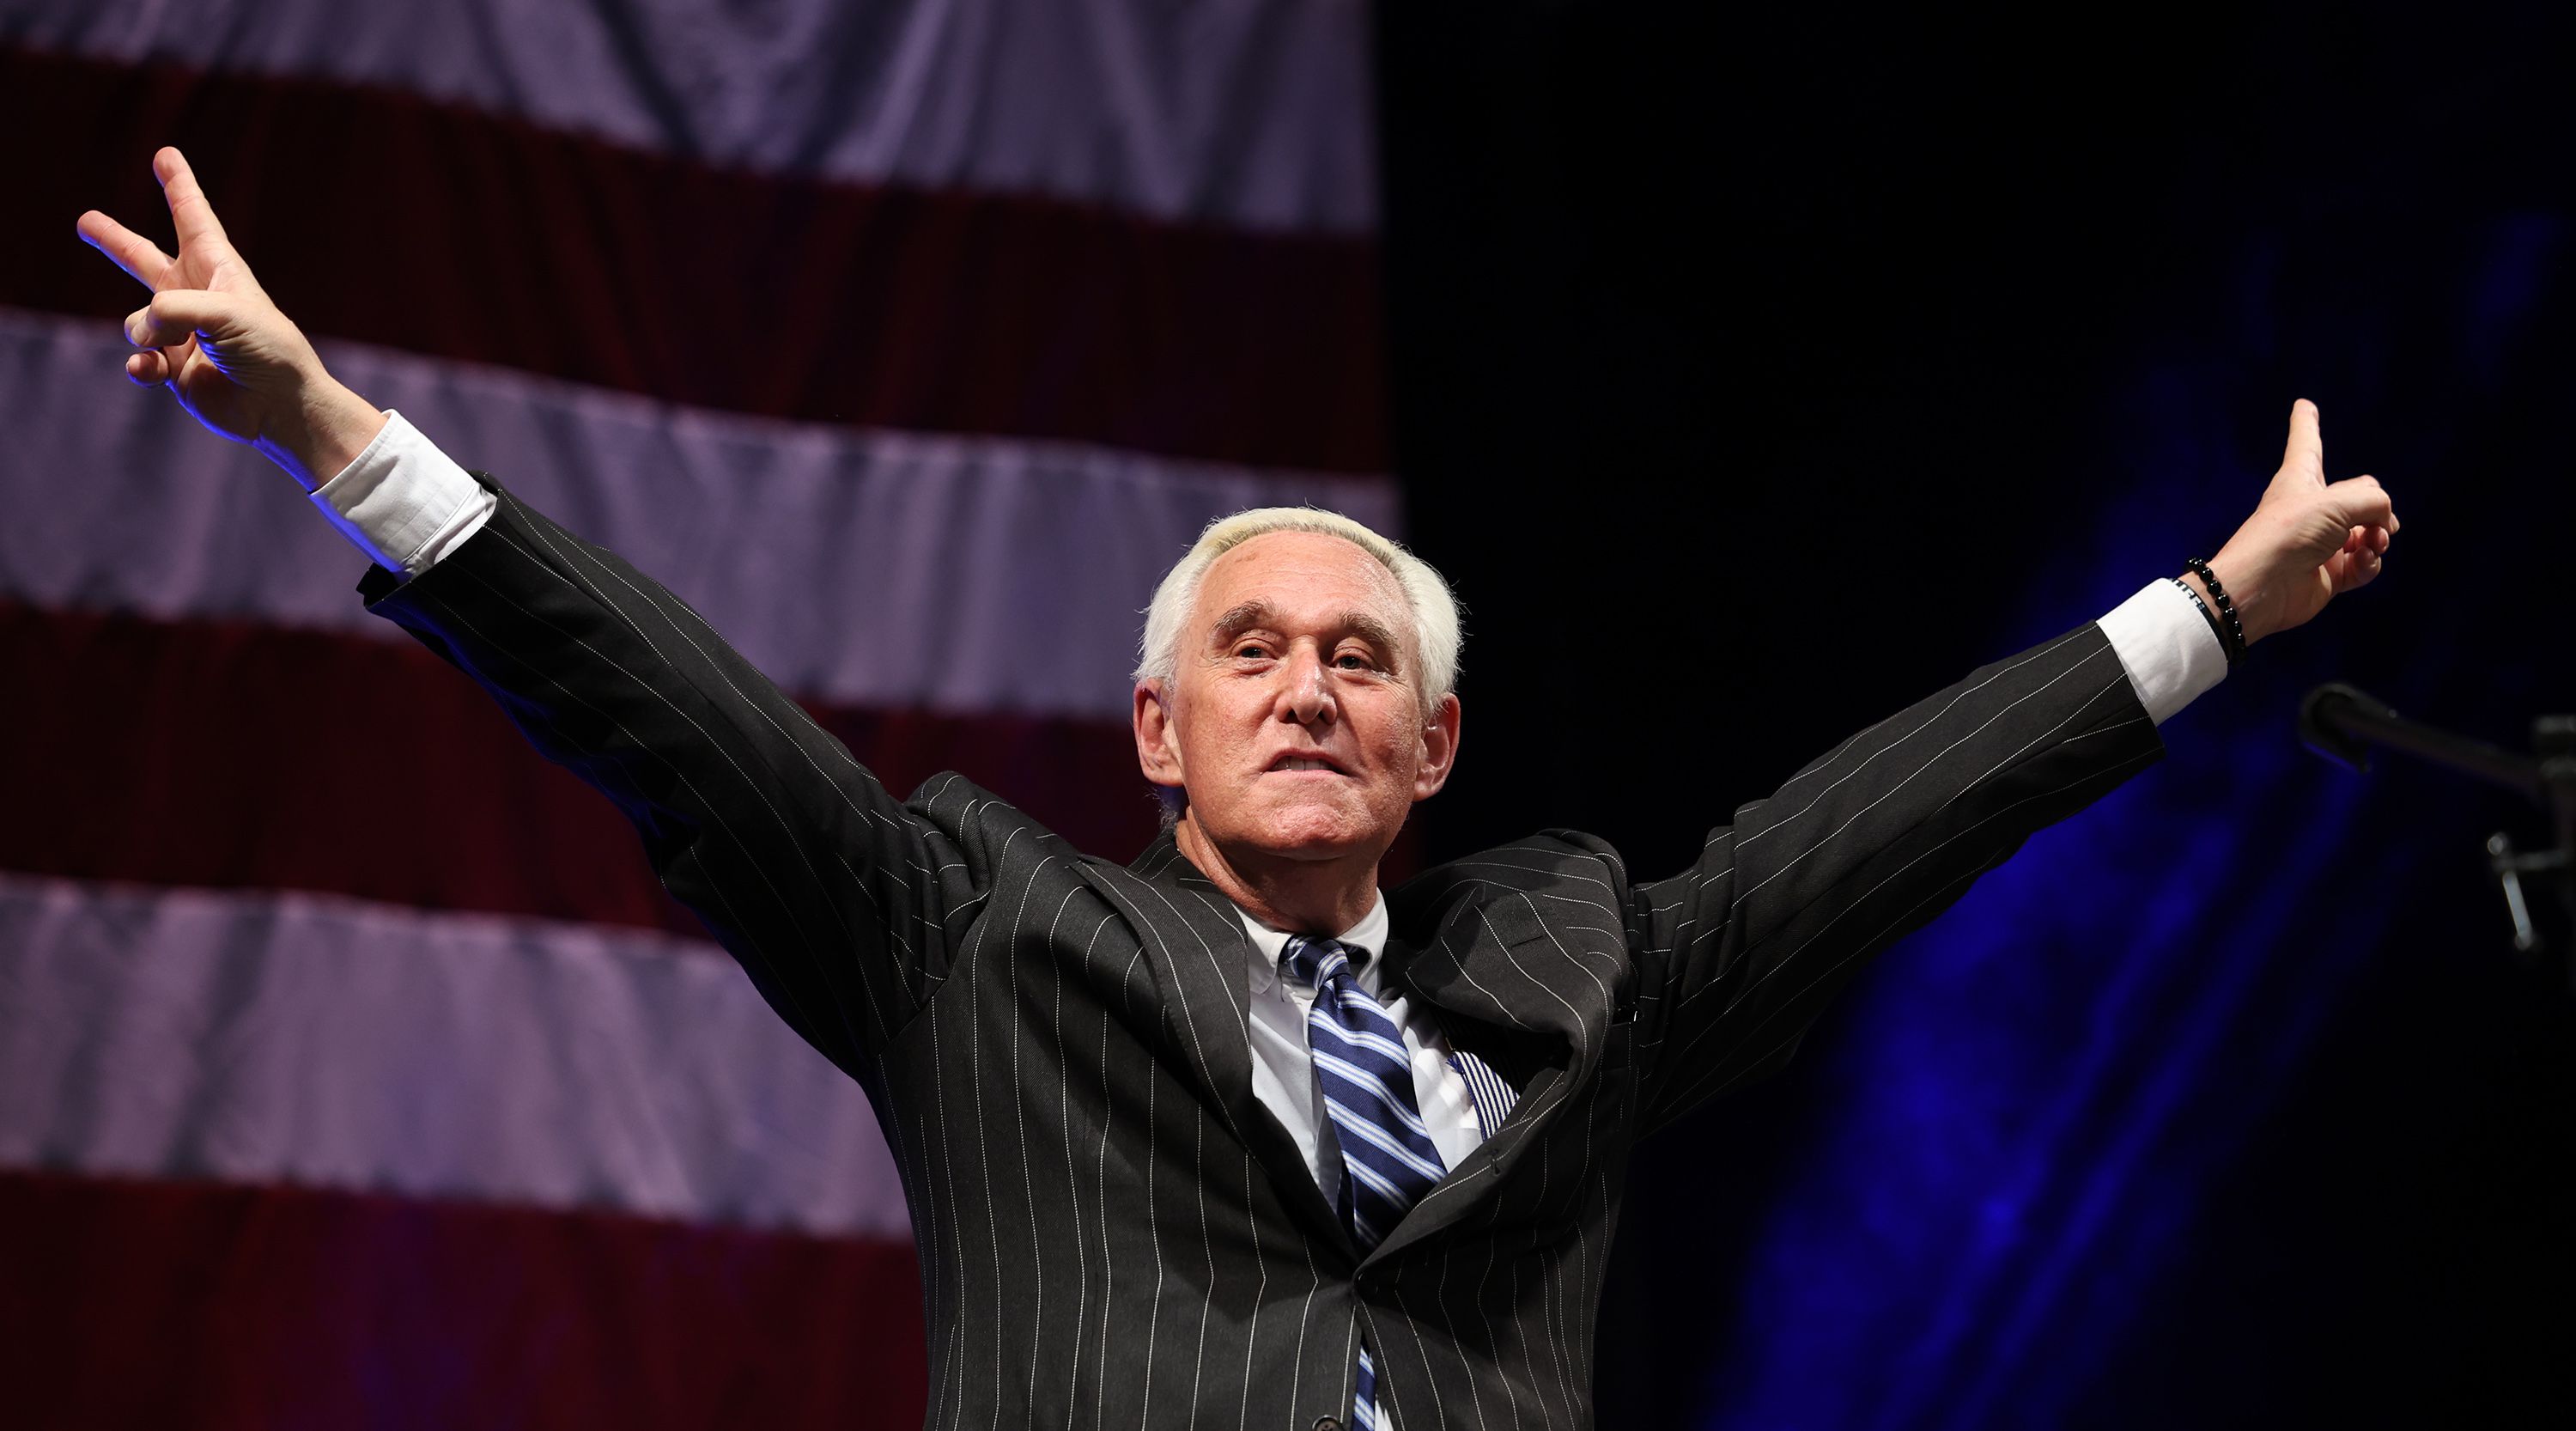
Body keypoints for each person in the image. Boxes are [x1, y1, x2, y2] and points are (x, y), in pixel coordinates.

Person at [79, 148, 2399, 1430]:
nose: (1307, 690)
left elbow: (1880, 825)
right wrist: (332, 432)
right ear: (1157, 733)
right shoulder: (975, 936)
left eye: (1360, 660)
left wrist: (2213, 603)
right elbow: (665, 707)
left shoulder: (1583, 963)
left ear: (1435, 747)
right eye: (1251, 654)